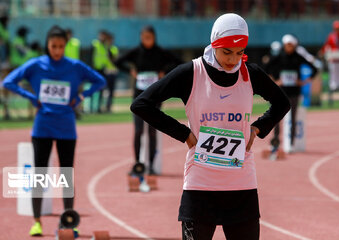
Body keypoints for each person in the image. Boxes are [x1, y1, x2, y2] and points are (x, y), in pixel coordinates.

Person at [131, 13, 290, 239]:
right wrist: (184, 134)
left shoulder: (250, 74)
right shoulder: (192, 73)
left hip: (241, 185)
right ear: (214, 43)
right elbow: (141, 104)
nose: (233, 60)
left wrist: (258, 128)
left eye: (239, 53)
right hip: (200, 186)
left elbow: (282, 102)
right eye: (226, 52)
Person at [3, 25, 106, 237]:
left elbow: (100, 81)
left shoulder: (75, 66)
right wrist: (31, 97)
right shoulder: (36, 65)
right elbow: (8, 81)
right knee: (40, 175)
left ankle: (69, 221)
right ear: (47, 45)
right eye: (53, 46)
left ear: (65, 45)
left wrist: (81, 97)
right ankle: (37, 221)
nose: (57, 50)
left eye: (60, 46)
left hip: (67, 128)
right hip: (42, 127)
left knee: (66, 175)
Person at [113, 25, 182, 175]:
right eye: (144, 38)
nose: (147, 41)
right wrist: (130, 70)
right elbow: (118, 62)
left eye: (149, 38)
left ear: (154, 37)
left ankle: (151, 165)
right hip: (139, 97)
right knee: (138, 131)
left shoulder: (160, 52)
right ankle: (138, 164)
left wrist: (165, 72)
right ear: (141, 37)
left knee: (152, 132)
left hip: (156, 97)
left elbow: (178, 62)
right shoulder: (136, 52)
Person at [266, 34, 317, 153]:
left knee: (293, 117)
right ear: (284, 45)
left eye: (291, 45)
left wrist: (304, 81)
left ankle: (291, 144)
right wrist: (274, 81)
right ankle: (275, 142)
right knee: (276, 117)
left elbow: (314, 69)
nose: (288, 47)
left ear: (294, 45)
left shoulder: (298, 57)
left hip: (294, 92)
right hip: (280, 92)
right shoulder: (278, 56)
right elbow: (265, 67)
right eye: (287, 44)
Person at [103, 32, 119, 112]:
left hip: (112, 71)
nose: (109, 41)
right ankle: (101, 106)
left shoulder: (114, 49)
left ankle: (108, 106)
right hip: (106, 71)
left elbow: (115, 59)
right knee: (103, 89)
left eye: (110, 40)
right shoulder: (103, 48)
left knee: (111, 90)